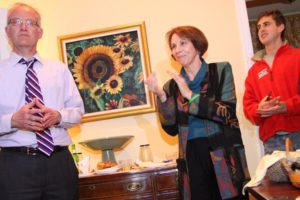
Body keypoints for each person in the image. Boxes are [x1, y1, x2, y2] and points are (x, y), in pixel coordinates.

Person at [145, 26, 250, 200]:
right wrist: (162, 97)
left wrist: (189, 95)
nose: (177, 49)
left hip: (223, 150)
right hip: (192, 154)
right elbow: (170, 129)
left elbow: (226, 113)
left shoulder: (221, 70)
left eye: (182, 43)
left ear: (197, 45)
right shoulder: (170, 86)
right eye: (173, 46)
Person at [0, 3, 84, 200]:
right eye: (16, 22)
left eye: (30, 22)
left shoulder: (60, 69)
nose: (23, 27)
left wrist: (58, 116)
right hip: (14, 167)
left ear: (40, 32)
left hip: (60, 164)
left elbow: (78, 112)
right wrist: (13, 121)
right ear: (7, 31)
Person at [243, 10, 300, 155]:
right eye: (259, 27)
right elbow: (248, 107)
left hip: (298, 132)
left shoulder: (297, 57)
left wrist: (286, 106)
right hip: (272, 141)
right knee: (277, 178)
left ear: (281, 27)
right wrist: (259, 109)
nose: (261, 29)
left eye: (266, 24)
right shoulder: (254, 71)